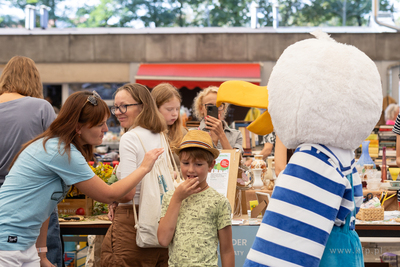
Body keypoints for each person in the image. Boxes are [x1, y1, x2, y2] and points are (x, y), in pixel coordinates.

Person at [0, 90, 163, 267]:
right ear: (78, 127)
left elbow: (46, 205)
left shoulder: (58, 146)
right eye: (100, 124)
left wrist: (42, 254)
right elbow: (108, 194)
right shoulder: (61, 151)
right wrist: (144, 167)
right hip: (8, 244)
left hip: (21, 244)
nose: (106, 129)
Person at [0, 55, 62, 267]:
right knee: (45, 258)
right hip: (34, 196)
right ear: (35, 80)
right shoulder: (41, 107)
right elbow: (59, 152)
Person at [101, 83, 169, 267]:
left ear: (142, 106)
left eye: (124, 106)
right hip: (160, 220)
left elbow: (128, 193)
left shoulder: (130, 137)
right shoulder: (160, 135)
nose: (119, 112)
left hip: (132, 222)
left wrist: (111, 196)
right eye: (116, 107)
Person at [158, 130, 234, 267]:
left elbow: (227, 249)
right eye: (185, 163)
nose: (191, 170)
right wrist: (177, 198)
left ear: (211, 166)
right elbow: (163, 240)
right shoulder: (171, 197)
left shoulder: (219, 202)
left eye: (198, 164)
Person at [192, 86, 243, 152]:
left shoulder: (236, 135)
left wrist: (221, 134)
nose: (215, 109)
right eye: (210, 106)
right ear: (201, 108)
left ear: (224, 108)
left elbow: (235, 160)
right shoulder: (192, 133)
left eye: (219, 106)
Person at [151, 83, 188, 167]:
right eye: (169, 109)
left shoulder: (183, 133)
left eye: (177, 109)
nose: (175, 113)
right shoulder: (146, 132)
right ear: (155, 108)